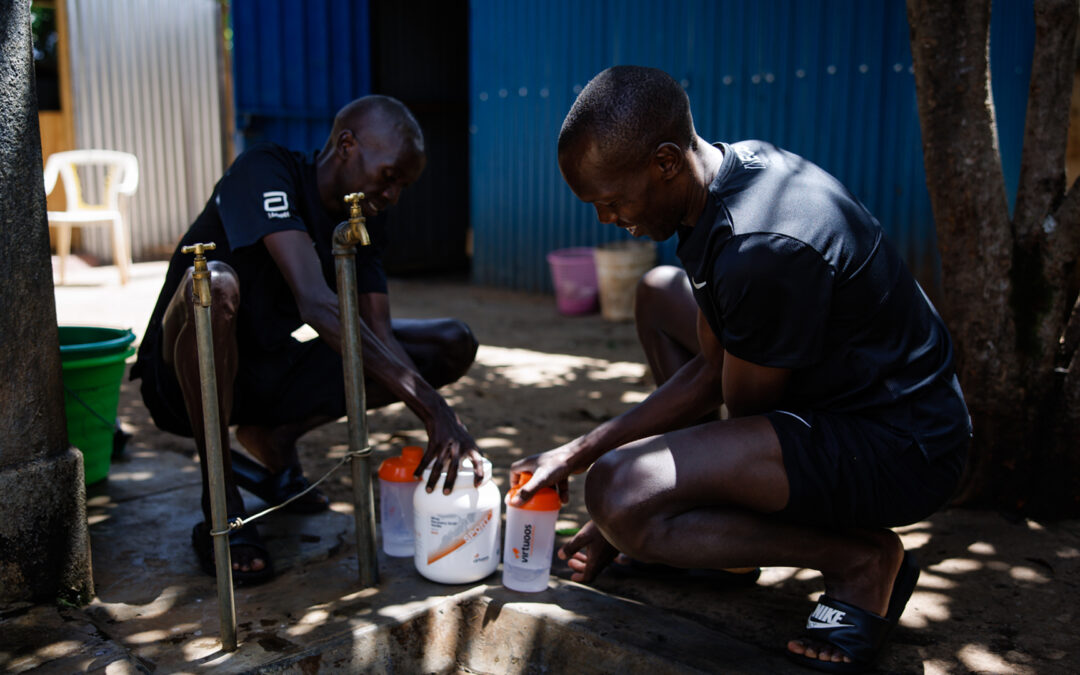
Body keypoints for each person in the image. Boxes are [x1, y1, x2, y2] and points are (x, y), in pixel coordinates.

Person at [510, 66, 971, 673]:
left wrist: (613, 497)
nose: (605, 218)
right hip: (842, 390)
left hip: (902, 447)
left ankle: (859, 560)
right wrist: (605, 466)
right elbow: (714, 365)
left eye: (612, 200)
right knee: (655, 293)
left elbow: (727, 398)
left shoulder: (760, 250)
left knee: (617, 493)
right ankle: (715, 546)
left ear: (666, 161)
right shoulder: (729, 172)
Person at [131, 95, 484, 585]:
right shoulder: (266, 170)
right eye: (389, 175)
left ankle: (274, 436)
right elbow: (315, 304)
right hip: (182, 380)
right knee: (214, 284)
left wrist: (441, 412)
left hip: (267, 373)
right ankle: (222, 504)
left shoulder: (362, 221)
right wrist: (434, 412)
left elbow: (379, 336)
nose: (394, 195)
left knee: (448, 343)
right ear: (346, 144)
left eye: (404, 185)